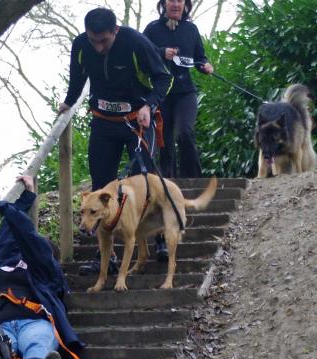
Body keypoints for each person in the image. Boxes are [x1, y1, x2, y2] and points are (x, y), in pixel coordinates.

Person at [59, 7, 174, 272]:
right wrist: (67, 103)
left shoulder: (135, 42)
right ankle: (106, 257)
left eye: (104, 41)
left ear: (115, 32)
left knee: (144, 183)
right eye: (93, 41)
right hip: (103, 122)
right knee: (101, 188)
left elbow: (163, 78)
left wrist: (150, 106)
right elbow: (77, 80)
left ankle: (158, 240)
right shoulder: (81, 45)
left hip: (137, 120)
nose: (98, 47)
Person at [0, 175, 85, 359]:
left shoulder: (47, 271)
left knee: (36, 345)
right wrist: (27, 197)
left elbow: (33, 242)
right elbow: (9, 233)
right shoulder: (6, 260)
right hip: (1, 323)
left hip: (34, 321)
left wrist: (11, 211)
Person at [143, 0, 214, 178]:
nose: (176, 4)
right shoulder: (152, 29)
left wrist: (205, 66)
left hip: (185, 92)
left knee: (185, 133)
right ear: (164, 3)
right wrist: (161, 53)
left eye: (180, 1)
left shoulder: (191, 29)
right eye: (171, 0)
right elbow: (141, 55)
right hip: (161, 94)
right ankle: (167, 184)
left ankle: (193, 181)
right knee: (164, 142)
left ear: (185, 4)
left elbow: (200, 58)